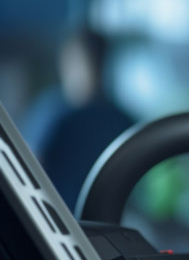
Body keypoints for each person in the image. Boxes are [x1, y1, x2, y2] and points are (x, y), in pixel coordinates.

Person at [28, 28, 134, 210]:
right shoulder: (52, 112)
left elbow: (28, 170)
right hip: (69, 219)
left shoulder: (53, 112)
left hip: (70, 222)